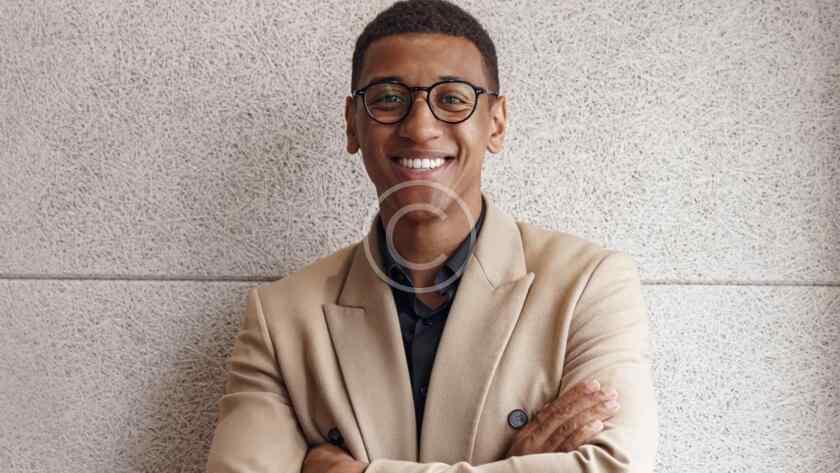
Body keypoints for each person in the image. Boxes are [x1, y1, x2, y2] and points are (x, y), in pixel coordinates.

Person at [205, 1, 657, 472]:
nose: (420, 128)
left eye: (453, 99)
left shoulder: (586, 285)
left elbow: (616, 467)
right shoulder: (281, 317)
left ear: (496, 122)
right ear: (352, 123)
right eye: (388, 98)